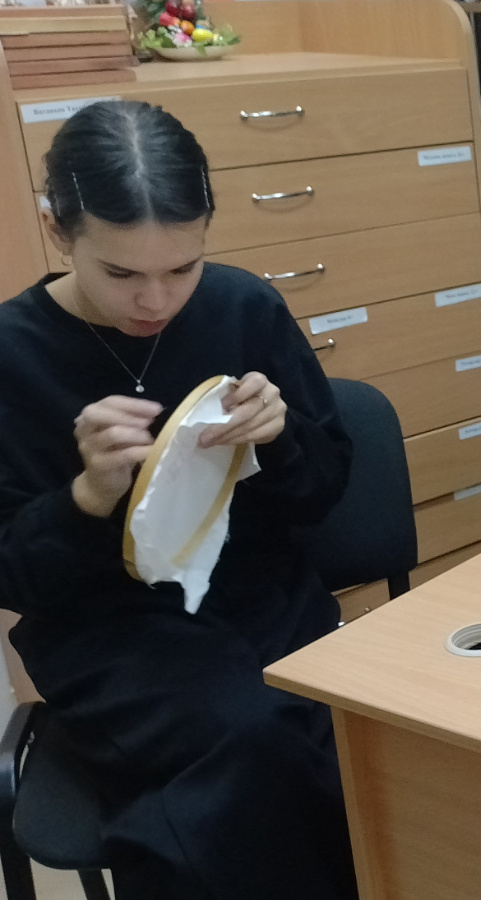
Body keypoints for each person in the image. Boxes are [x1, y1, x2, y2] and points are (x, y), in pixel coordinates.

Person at [0, 100, 358, 898]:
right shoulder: (13, 354)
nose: (156, 301)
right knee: (252, 745)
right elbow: (14, 577)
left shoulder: (242, 306)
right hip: (110, 629)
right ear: (58, 231)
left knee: (364, 740)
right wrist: (88, 494)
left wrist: (281, 437)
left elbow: (323, 492)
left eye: (183, 268)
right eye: (121, 274)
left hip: (262, 598)